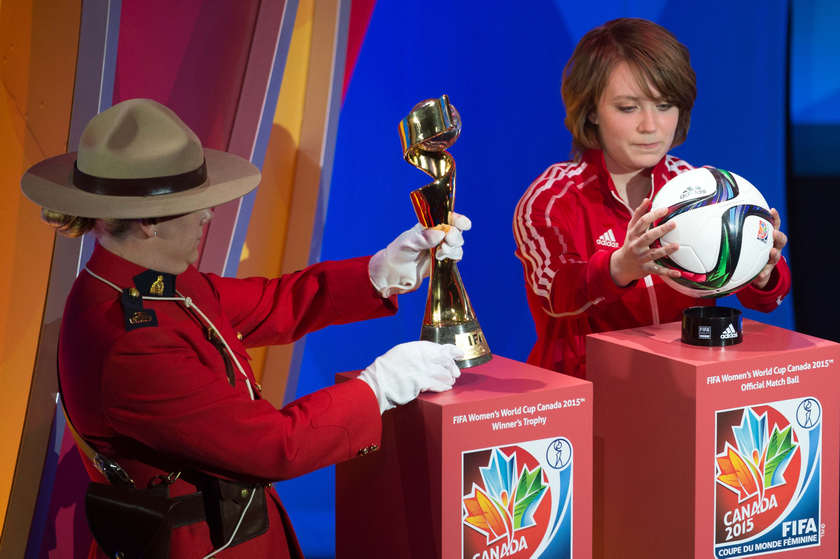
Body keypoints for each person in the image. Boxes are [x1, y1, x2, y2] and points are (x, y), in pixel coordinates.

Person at [21, 98, 471, 558]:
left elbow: (270, 304)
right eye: (193, 205)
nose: (207, 216)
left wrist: (378, 272)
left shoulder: (142, 278)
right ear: (149, 222)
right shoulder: (130, 340)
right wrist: (379, 388)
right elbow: (272, 445)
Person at [513, 18, 790, 378]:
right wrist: (619, 267)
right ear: (592, 110)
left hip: (685, 391)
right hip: (587, 399)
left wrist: (761, 270)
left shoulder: (703, 188)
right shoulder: (552, 198)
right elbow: (554, 295)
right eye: (628, 108)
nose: (650, 126)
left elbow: (764, 299)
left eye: (664, 106)